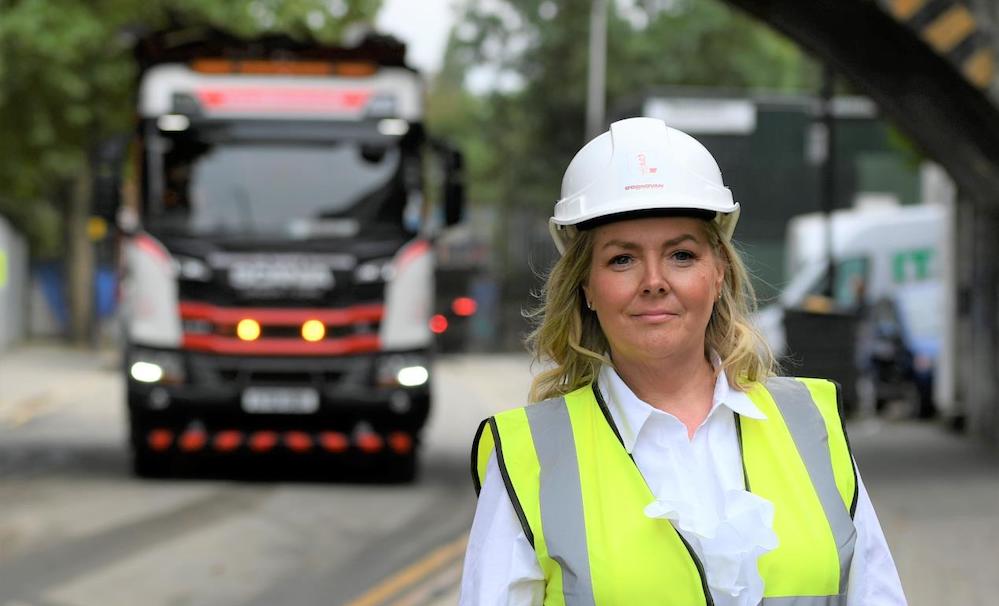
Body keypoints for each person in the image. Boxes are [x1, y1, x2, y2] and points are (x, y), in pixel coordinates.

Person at [459, 117, 906, 605]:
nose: (654, 281)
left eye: (682, 256)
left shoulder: (810, 427)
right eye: (622, 259)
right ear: (586, 286)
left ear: (718, 273)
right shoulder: (531, 457)